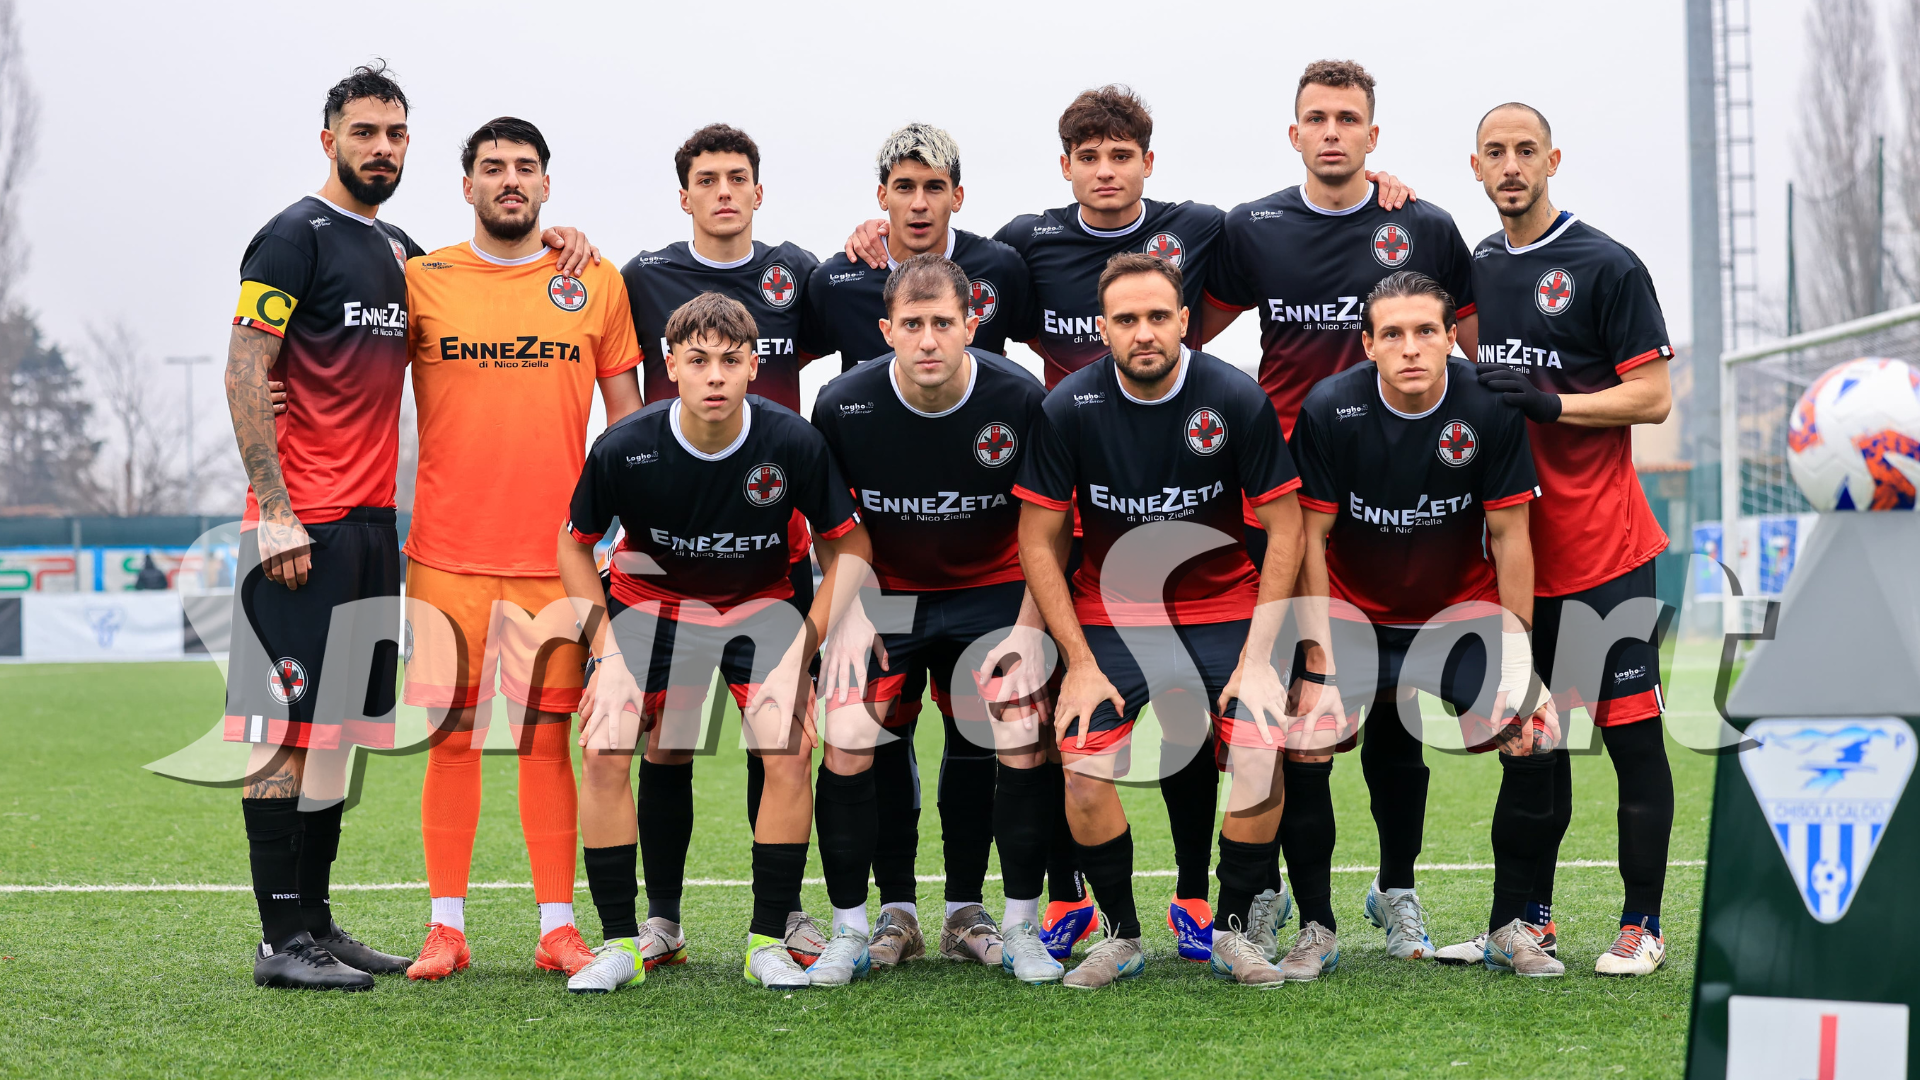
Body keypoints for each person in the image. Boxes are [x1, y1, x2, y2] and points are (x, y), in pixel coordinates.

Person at [221, 64, 595, 991]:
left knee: (337, 727)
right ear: (329, 141)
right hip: (297, 529)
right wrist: (272, 510)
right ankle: (278, 942)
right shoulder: (289, 236)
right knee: (282, 730)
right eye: (363, 133)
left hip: (373, 528)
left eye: (393, 134)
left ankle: (316, 923)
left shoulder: (399, 253)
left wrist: (562, 240)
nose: (379, 148)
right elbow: (243, 366)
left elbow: (493, 280)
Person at [1201, 58, 1481, 967]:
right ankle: (1286, 898)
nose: (1331, 131)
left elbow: (1470, 352)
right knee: (1291, 713)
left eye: (1348, 117)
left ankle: (1395, 888)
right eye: (1315, 118)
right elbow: (1180, 329)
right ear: (1294, 135)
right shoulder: (1254, 229)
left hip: (1396, 498)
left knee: (1396, 712)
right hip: (1282, 504)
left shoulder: (1424, 225)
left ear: (1373, 134)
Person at [557, 292, 870, 994]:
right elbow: (573, 547)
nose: (715, 375)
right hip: (651, 606)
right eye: (697, 360)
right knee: (605, 745)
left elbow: (851, 546)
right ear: (670, 365)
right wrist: (605, 653)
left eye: (731, 359)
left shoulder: (791, 442)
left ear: (754, 365)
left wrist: (801, 649)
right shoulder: (626, 446)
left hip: (760, 606)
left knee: (788, 748)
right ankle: (625, 943)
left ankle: (768, 940)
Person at [1427, 102, 1677, 978]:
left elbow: (1652, 398)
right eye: (1494, 152)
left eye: (1525, 151)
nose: (1510, 166)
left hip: (1609, 555)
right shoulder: (1482, 265)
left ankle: (1642, 925)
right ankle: (1522, 924)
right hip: (1521, 561)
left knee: (1632, 741)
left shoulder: (1605, 263)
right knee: (1534, 747)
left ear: (1553, 159)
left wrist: (1555, 404)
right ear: (1476, 166)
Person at [1014, 253, 1305, 988]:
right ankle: (1121, 935)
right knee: (1080, 765)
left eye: (1156, 317)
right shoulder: (1066, 408)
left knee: (1260, 754)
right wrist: (1076, 663)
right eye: (1125, 320)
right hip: (1112, 615)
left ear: (1183, 321)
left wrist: (1259, 657)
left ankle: (1234, 930)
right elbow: (1037, 540)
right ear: (1103, 329)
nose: (1143, 332)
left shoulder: (1234, 398)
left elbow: (1287, 528)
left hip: (1225, 608)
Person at [397, 117, 643, 983]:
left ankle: (555, 925)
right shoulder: (419, 278)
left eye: (525, 168)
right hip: (444, 555)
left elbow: (630, 425)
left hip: (557, 559)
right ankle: (445, 928)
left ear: (547, 187)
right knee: (452, 741)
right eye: (492, 168)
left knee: (547, 742)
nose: (510, 180)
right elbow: (351, 365)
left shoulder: (595, 281)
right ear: (465, 185)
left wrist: (622, 536)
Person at [803, 123, 1047, 965]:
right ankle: (873, 923)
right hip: (889, 591)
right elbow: (838, 530)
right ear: (887, 329)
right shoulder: (843, 404)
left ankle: (996, 922)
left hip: (990, 587)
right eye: (914, 323)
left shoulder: (1020, 399)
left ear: (973, 320)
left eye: (945, 321)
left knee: (1008, 733)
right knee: (850, 738)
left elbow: (1043, 530)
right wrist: (853, 614)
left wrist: (1027, 624)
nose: (931, 339)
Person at [1284, 270, 1555, 980]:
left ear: (1448, 338)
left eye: (1426, 331)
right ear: (1368, 343)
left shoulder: (1487, 409)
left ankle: (1509, 926)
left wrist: (1517, 652)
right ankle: (1316, 928)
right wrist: (1315, 651)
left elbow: (1513, 537)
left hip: (1454, 617)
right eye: (1393, 334)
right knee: (1304, 737)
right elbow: (1309, 539)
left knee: (1537, 732)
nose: (1411, 347)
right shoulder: (1329, 408)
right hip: (1353, 614)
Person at [623, 127, 829, 959]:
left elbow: (871, 311)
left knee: (776, 733)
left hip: (773, 545)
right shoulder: (640, 278)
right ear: (684, 196)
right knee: (663, 742)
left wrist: (870, 238)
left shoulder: (801, 275)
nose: (723, 192)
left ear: (758, 190)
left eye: (737, 178)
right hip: (667, 555)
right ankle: (661, 918)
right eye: (706, 179)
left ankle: (776, 917)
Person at [805, 123, 1033, 370]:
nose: (919, 204)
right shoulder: (835, 282)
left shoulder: (1000, 269)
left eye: (934, 187)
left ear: (956, 197)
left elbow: (1053, 350)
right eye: (905, 187)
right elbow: (781, 368)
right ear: (883, 196)